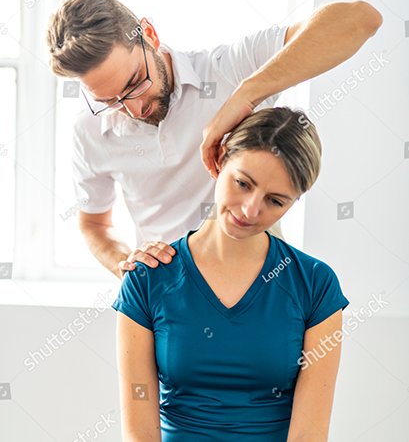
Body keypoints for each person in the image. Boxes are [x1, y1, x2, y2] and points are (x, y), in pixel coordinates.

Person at [46, 0, 382, 280]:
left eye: (135, 83)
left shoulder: (227, 70)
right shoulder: (88, 132)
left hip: (262, 283)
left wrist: (245, 95)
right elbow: (95, 225)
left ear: (148, 33)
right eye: (110, 101)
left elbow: (360, 19)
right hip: (170, 293)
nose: (134, 108)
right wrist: (126, 264)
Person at [111, 106, 350, 442]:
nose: (250, 209)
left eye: (275, 200)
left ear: (293, 203)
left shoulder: (315, 285)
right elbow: (138, 431)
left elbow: (309, 434)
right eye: (242, 183)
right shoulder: (148, 278)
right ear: (220, 158)